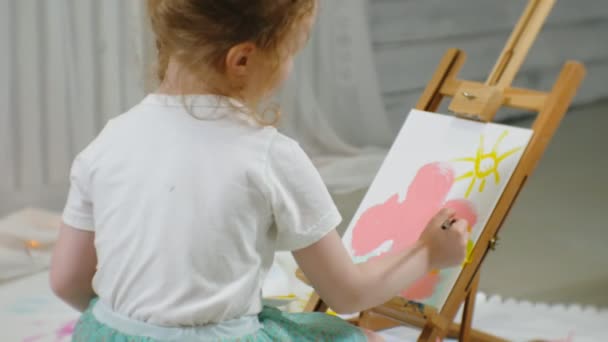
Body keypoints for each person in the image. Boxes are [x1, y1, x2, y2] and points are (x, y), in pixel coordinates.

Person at [50, 1, 469, 340]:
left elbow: (67, 281)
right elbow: (348, 294)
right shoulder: (269, 156)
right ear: (243, 60)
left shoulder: (108, 140)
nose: (289, 67)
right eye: (290, 52)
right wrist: (430, 251)